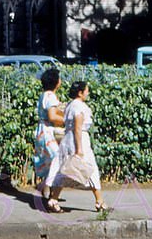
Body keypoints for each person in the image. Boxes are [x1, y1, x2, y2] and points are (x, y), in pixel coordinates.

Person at [59, 79, 109, 212]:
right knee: (90, 169)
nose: (88, 93)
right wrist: (79, 149)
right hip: (79, 140)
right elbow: (78, 127)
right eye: (86, 91)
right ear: (80, 93)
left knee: (66, 170)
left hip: (69, 139)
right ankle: (99, 201)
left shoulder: (70, 105)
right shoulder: (79, 107)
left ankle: (53, 198)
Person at [33, 67, 66, 213]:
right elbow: (52, 116)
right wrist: (67, 120)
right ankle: (51, 196)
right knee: (58, 162)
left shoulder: (44, 95)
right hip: (48, 132)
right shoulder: (51, 96)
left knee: (49, 162)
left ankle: (48, 192)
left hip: (41, 130)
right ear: (56, 82)